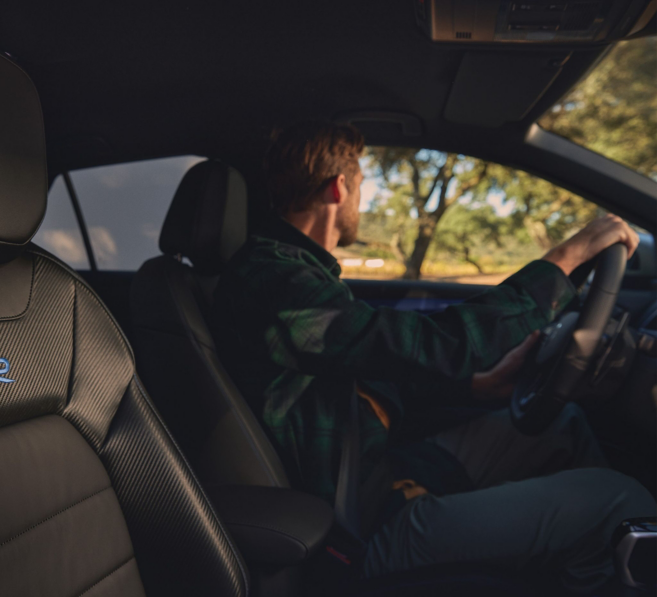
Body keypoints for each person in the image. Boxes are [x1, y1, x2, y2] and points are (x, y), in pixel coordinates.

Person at [211, 121, 655, 592]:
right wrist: (565, 259)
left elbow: (368, 365)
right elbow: (432, 346)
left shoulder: (293, 272)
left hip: (382, 470)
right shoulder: (273, 279)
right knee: (617, 501)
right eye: (361, 184)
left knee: (559, 424)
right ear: (338, 187)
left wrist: (476, 387)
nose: (364, 198)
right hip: (361, 528)